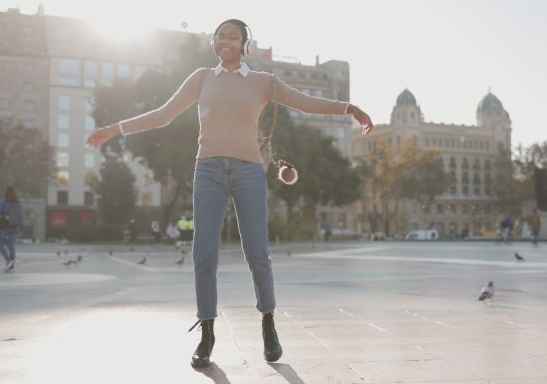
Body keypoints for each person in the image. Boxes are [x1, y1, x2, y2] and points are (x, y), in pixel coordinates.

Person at [86, 18, 373, 369]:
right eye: (220, 36)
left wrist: (349, 108)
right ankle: (207, 333)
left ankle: (268, 325)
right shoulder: (202, 78)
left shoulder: (264, 82)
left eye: (232, 37)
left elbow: (305, 102)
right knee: (203, 254)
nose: (225, 41)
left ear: (245, 45)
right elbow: (163, 116)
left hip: (249, 172)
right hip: (207, 171)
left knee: (258, 253)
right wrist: (115, 129)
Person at [0, 186, 23, 272]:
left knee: (0, 244)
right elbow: (21, 216)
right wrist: (21, 226)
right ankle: (12, 264)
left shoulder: (3, 202)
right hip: (15, 227)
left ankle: (8, 261)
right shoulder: (18, 203)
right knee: (11, 245)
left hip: (4, 226)